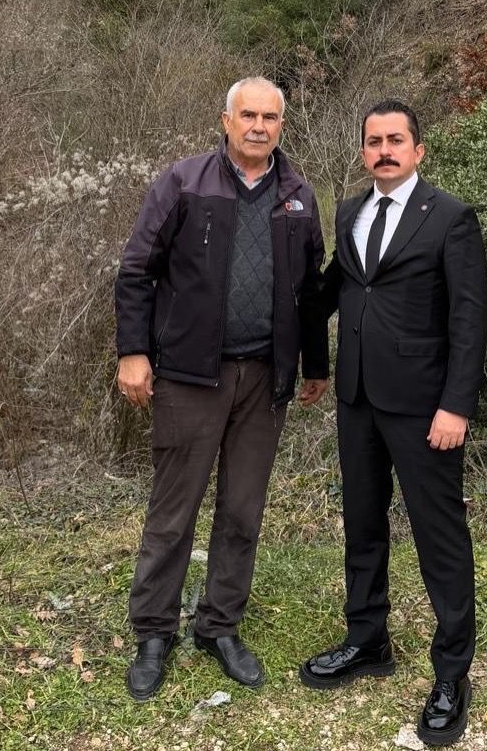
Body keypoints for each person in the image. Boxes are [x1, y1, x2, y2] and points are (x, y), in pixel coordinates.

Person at [114, 77, 329, 702]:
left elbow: (311, 290)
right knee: (173, 511)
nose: (259, 126)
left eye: (270, 117)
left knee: (242, 511)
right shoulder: (184, 182)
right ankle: (154, 632)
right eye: (248, 115)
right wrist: (133, 352)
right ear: (226, 120)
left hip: (264, 378)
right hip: (189, 376)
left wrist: (314, 364)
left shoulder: (297, 196)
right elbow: (137, 269)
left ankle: (218, 625)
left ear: (282, 125)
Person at [299, 100, 487, 746]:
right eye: (374, 141)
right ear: (363, 151)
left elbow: (469, 319)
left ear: (418, 149)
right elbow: (332, 290)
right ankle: (367, 639)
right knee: (362, 524)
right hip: (357, 398)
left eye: (396, 140)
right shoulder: (350, 212)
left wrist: (456, 406)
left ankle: (452, 673)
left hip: (425, 407)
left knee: (439, 537)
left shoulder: (451, 218)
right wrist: (307, 354)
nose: (384, 150)